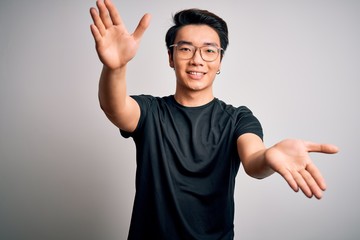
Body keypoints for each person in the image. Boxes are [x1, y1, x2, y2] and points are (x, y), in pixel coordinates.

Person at [89, 0, 339, 239]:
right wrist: (115, 68)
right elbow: (115, 107)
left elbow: (253, 160)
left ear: (219, 60)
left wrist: (268, 158)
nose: (197, 59)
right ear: (170, 58)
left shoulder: (238, 118)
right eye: (185, 49)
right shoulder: (151, 111)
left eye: (209, 51)